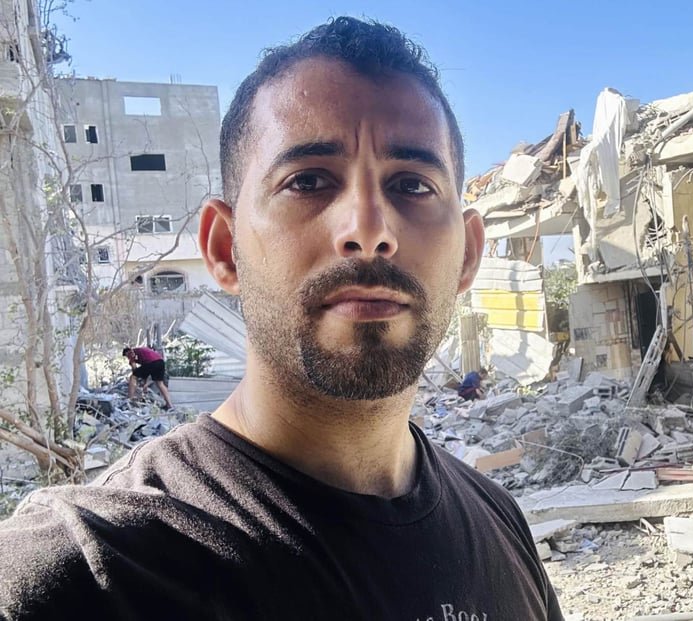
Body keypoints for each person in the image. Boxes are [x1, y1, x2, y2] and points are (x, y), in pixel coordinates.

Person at [0, 16, 563, 621]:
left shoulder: (500, 521)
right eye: (309, 180)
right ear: (223, 248)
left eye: (412, 185)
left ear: (468, 255)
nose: (369, 230)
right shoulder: (88, 572)